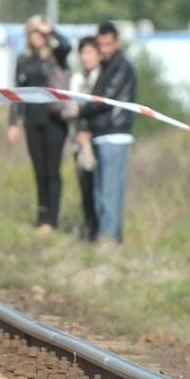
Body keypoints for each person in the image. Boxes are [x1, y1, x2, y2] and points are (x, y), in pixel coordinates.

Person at [6, 16, 72, 234]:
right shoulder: (23, 60)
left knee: (52, 171)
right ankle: (41, 217)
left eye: (41, 33)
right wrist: (13, 123)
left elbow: (67, 45)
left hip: (54, 121)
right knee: (39, 171)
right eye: (34, 32)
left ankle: (51, 221)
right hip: (32, 121)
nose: (38, 37)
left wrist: (51, 29)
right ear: (28, 34)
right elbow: (17, 92)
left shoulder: (55, 56)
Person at [75, 21, 137, 245]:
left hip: (115, 133)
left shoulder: (121, 67)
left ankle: (109, 239)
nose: (104, 49)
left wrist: (78, 111)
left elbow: (103, 99)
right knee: (100, 190)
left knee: (110, 190)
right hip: (100, 133)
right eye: (100, 44)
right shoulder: (105, 67)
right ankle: (105, 235)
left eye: (108, 44)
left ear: (117, 43)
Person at [62, 36, 102, 241]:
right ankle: (89, 228)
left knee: (99, 186)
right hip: (77, 139)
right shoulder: (76, 79)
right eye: (83, 53)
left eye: (89, 52)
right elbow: (71, 106)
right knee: (84, 186)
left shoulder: (101, 77)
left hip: (96, 138)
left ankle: (100, 230)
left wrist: (85, 125)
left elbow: (97, 109)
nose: (86, 58)